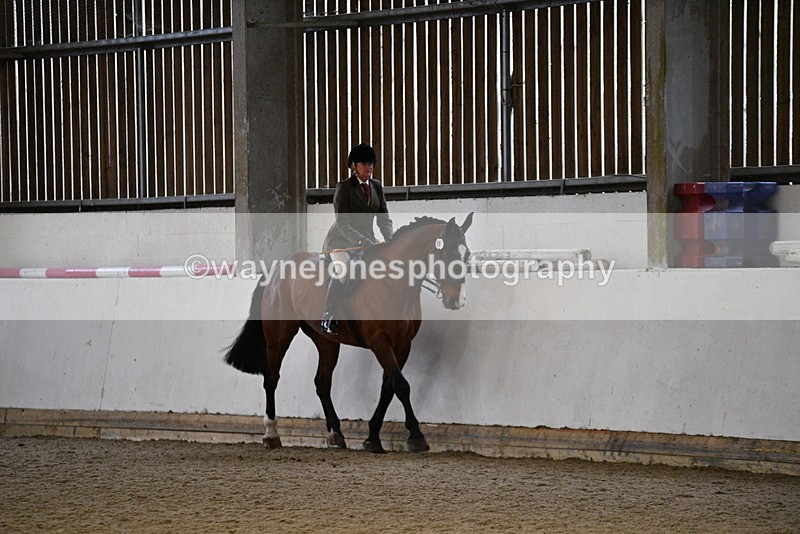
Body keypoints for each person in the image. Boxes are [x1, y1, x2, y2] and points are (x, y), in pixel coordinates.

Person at [320, 143, 394, 334]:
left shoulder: (376, 186)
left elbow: (384, 217)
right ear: (354, 166)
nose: (368, 167)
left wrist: (391, 239)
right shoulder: (344, 187)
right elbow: (342, 223)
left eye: (371, 163)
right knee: (343, 270)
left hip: (368, 240)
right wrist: (362, 241)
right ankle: (328, 317)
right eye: (363, 163)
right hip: (341, 241)